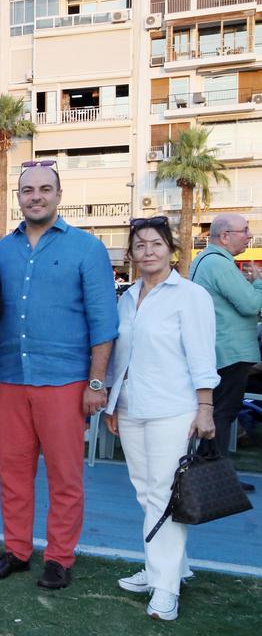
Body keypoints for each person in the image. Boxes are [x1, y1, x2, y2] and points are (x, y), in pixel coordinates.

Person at [0, 163, 118, 589]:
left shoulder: (87, 248)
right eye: (27, 190)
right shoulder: (4, 250)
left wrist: (96, 383)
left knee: (65, 478)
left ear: (59, 195)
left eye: (44, 189)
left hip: (64, 382)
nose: (35, 196)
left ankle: (59, 557)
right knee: (13, 475)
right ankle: (16, 550)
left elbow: (104, 322)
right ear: (18, 197)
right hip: (11, 379)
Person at [104, 216, 218, 621]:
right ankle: (169, 567)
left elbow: (202, 355)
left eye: (156, 243)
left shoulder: (191, 296)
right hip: (130, 407)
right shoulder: (127, 297)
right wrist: (113, 403)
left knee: (164, 496)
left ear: (171, 249)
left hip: (174, 408)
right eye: (140, 245)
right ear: (131, 254)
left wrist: (205, 407)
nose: (148, 251)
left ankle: (165, 586)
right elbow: (120, 356)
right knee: (145, 492)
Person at [190, 213, 262, 493]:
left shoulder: (203, 260)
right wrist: (259, 283)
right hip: (230, 351)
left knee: (219, 412)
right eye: (244, 230)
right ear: (224, 236)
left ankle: (209, 473)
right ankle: (214, 478)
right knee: (222, 413)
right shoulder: (219, 264)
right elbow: (250, 305)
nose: (249, 235)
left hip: (219, 349)